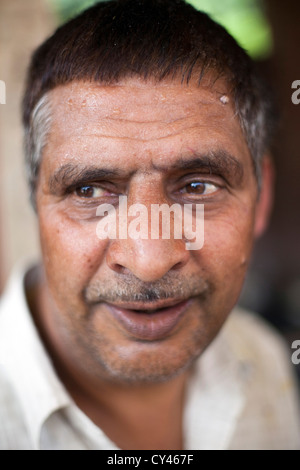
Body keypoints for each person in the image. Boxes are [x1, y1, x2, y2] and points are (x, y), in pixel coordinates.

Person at [0, 0, 299, 450]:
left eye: (198, 186)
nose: (150, 261)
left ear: (262, 198)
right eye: (89, 191)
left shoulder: (263, 359)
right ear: (34, 203)